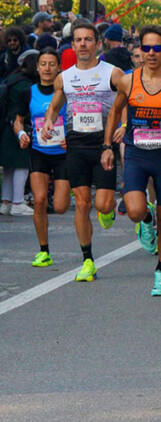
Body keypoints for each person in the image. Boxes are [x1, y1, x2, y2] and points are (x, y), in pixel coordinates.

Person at [102, 26, 161, 296]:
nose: (151, 53)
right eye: (146, 48)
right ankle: (145, 218)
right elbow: (115, 112)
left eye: (157, 48)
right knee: (135, 211)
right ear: (139, 50)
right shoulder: (128, 81)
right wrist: (107, 146)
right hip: (136, 155)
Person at [42, 19, 125, 283]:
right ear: (73, 44)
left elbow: (131, 100)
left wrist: (125, 126)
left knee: (102, 203)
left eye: (88, 39)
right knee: (82, 204)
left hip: (104, 145)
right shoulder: (64, 77)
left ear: (97, 43)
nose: (83, 44)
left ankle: (109, 208)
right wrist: (48, 123)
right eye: (78, 40)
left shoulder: (113, 73)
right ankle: (87, 260)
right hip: (76, 144)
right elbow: (55, 106)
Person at [13, 48, 70, 263]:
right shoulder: (28, 92)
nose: (47, 68)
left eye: (52, 64)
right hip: (39, 151)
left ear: (59, 67)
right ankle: (44, 250)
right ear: (37, 67)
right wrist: (20, 134)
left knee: (60, 207)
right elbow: (18, 119)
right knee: (39, 200)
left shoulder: (66, 91)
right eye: (43, 64)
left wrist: (71, 137)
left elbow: (78, 116)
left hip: (63, 152)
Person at [1, 49, 36, 216]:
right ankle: (18, 202)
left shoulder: (12, 78)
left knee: (9, 167)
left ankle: (6, 201)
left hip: (6, 127)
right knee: (21, 165)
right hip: (18, 126)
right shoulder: (26, 84)